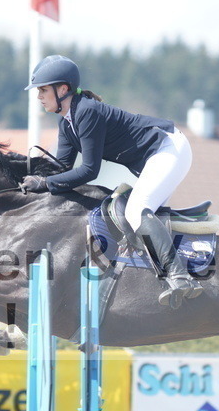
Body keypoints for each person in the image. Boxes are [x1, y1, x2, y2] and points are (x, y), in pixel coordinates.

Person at [21, 55, 202, 308]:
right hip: (155, 157)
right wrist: (25, 171)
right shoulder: (67, 123)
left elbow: (88, 171)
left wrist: (45, 183)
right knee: (139, 220)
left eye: (43, 89)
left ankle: (180, 276)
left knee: (136, 210)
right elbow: (59, 168)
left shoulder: (86, 112)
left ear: (63, 89)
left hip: (168, 148)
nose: (39, 96)